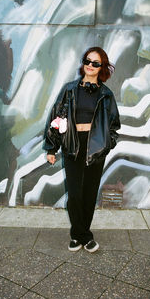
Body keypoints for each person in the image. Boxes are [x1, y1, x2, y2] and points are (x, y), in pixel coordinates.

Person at [43, 47, 120, 253]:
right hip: (73, 144)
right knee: (75, 193)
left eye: (96, 63)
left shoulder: (106, 94)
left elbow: (114, 125)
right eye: (88, 61)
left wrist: (107, 144)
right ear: (83, 63)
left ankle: (79, 235)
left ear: (101, 67)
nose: (90, 65)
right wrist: (51, 147)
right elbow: (56, 118)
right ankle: (83, 235)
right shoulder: (70, 90)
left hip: (95, 147)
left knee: (89, 193)